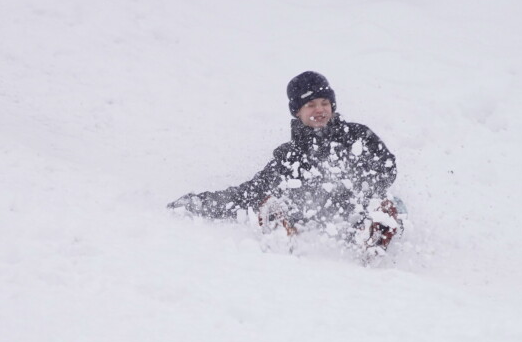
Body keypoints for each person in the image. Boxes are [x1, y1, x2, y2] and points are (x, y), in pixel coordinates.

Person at [168, 71, 402, 252]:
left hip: (358, 210)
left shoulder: (357, 136)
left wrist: (359, 184)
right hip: (316, 220)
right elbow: (248, 193)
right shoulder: (291, 157)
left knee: (390, 205)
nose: (319, 109)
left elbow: (387, 167)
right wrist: (200, 203)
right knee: (272, 201)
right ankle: (281, 231)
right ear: (297, 112)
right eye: (310, 105)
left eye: (324, 102)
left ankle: (373, 239)